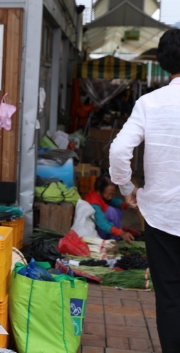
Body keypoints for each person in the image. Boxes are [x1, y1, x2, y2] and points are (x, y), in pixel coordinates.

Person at [109, 28, 180, 352]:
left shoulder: (150, 103)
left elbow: (119, 150)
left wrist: (127, 188)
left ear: (163, 62)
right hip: (162, 214)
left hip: (162, 216)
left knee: (169, 296)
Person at [82, 176, 134, 243]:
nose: (111, 197)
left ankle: (114, 235)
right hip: (91, 232)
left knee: (117, 210)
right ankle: (113, 239)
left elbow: (113, 200)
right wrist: (120, 232)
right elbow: (101, 223)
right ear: (99, 191)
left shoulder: (99, 195)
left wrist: (126, 206)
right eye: (109, 194)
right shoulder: (94, 204)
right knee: (111, 211)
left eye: (113, 194)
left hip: (98, 225)